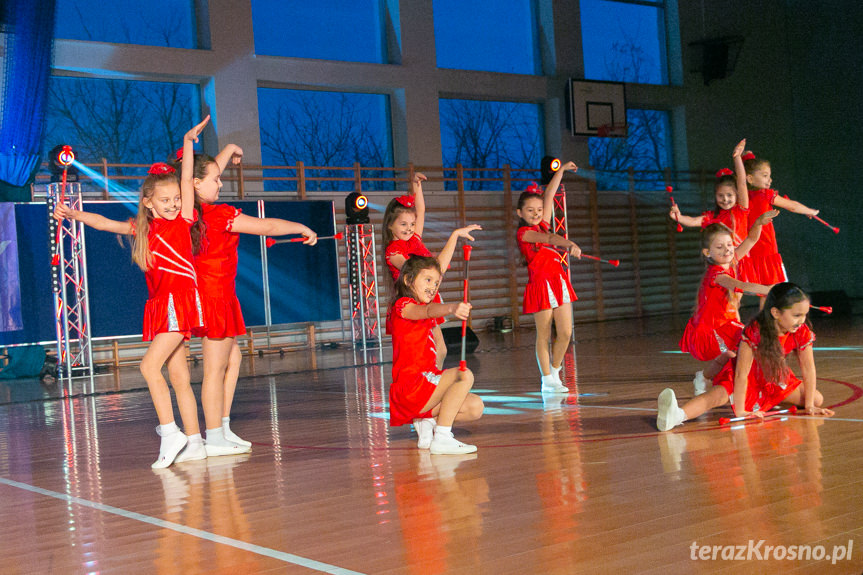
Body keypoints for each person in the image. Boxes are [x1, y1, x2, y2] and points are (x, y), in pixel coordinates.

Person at [53, 117, 212, 467]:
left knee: (147, 366)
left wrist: (187, 143)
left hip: (179, 303)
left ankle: (170, 433)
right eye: (165, 200)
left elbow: (186, 178)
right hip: (162, 304)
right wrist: (72, 213)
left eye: (176, 198)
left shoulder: (184, 219)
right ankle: (195, 442)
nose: (173, 204)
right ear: (148, 203)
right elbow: (103, 222)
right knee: (178, 376)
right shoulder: (142, 231)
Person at [179, 144, 318, 454]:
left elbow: (204, 171)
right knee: (215, 369)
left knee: (233, 358)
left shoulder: (194, 211)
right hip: (213, 296)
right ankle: (213, 435)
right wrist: (301, 226)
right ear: (195, 184)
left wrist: (227, 149)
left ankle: (222, 427)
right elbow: (266, 226)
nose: (221, 182)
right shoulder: (216, 215)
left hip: (217, 294)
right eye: (215, 179)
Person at [658, 282, 834, 431]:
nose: (802, 320)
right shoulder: (755, 331)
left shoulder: (801, 331)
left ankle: (762, 402)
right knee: (718, 396)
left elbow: (808, 368)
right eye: (796, 315)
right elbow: (742, 374)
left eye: (804, 315)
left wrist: (810, 404)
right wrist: (741, 411)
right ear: (776, 313)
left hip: (772, 376)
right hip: (747, 375)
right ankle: (676, 415)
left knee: (817, 399)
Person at [383, 172, 480, 367]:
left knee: (440, 349)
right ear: (390, 225)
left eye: (412, 224)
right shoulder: (393, 252)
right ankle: (422, 388)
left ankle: (431, 386)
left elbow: (421, 209)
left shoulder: (414, 240)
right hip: (411, 305)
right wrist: (454, 236)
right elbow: (420, 272)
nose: (410, 228)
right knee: (420, 352)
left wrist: (415, 184)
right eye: (403, 224)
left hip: (428, 297)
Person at [388, 255, 484, 455]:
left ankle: (425, 419)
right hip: (410, 388)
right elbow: (428, 310)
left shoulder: (424, 313)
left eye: (437, 282)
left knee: (475, 407)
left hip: (425, 386)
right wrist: (451, 308)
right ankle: (442, 436)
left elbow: (439, 348)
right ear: (408, 280)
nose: (433, 286)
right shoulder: (403, 306)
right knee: (463, 374)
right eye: (428, 280)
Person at [680, 213, 778, 396]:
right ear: (707, 253)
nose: (727, 250)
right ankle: (750, 388)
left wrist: (758, 222)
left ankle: (704, 377)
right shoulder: (716, 275)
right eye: (719, 247)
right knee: (748, 344)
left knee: (732, 354)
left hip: (727, 323)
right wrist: (768, 289)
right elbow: (741, 286)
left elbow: (751, 239)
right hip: (713, 329)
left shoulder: (731, 262)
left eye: (729, 244)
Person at [515, 161, 581, 393]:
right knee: (543, 335)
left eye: (539, 210)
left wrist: (560, 171)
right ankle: (546, 380)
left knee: (565, 332)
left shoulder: (543, 224)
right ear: (520, 213)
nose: (536, 214)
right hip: (540, 286)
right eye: (530, 210)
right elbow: (551, 239)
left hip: (559, 283)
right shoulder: (525, 233)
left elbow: (550, 194)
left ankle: (554, 371)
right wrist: (569, 243)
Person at [736, 150, 820, 284]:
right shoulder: (765, 195)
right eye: (764, 175)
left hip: (747, 251)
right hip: (766, 249)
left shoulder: (742, 197)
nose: (770, 180)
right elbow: (792, 205)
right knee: (773, 289)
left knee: (764, 290)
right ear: (750, 178)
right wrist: (809, 211)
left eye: (769, 176)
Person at [669, 140, 750, 248]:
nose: (725, 199)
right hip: (725, 261)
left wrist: (737, 157)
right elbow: (693, 221)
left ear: (737, 194)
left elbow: (742, 183)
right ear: (715, 196)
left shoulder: (741, 210)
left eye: (729, 195)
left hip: (743, 261)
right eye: (720, 195)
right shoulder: (713, 217)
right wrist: (679, 217)